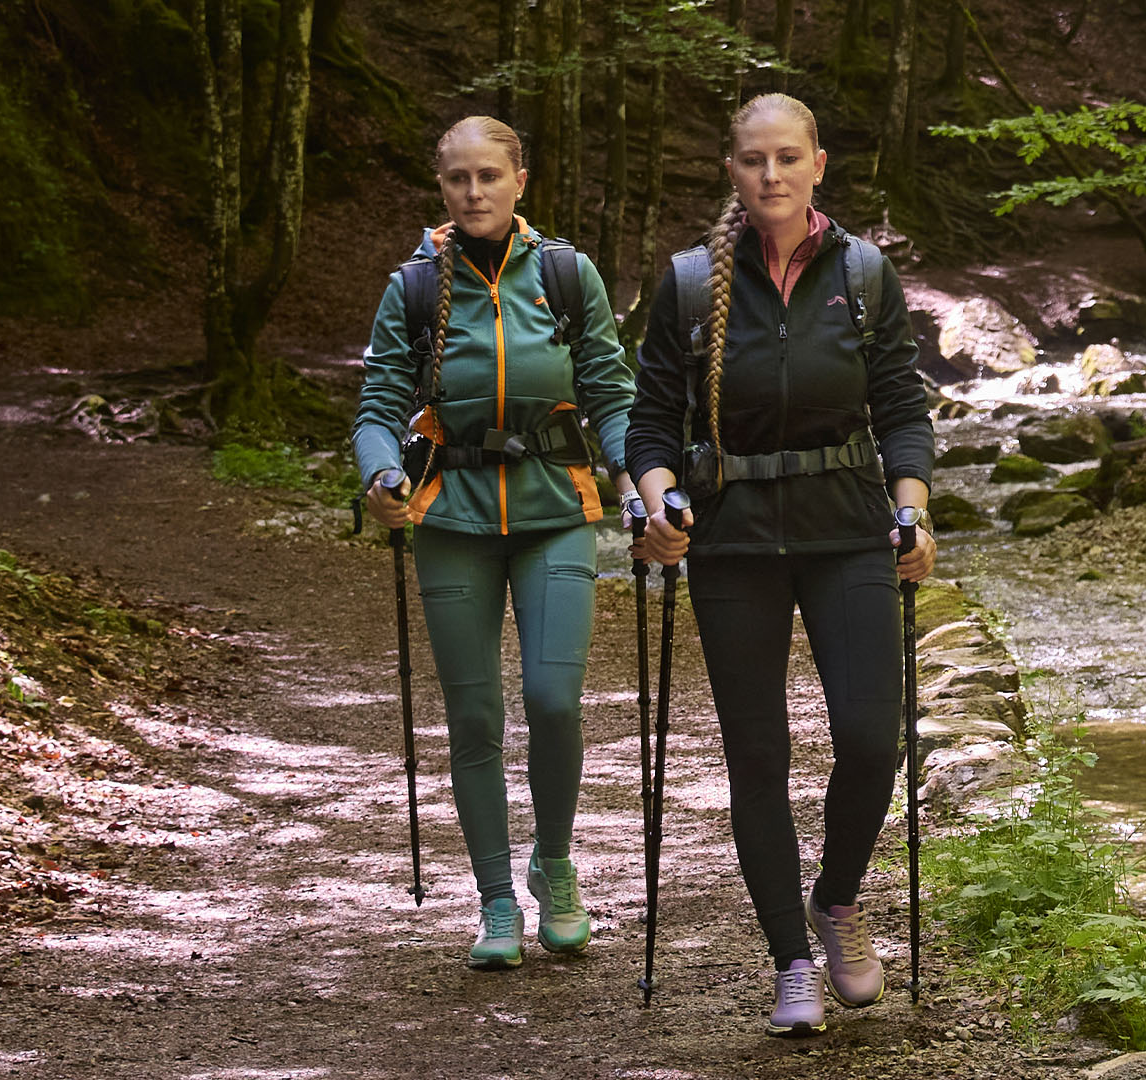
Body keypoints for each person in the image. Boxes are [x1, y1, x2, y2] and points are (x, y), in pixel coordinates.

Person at [625, 92, 936, 1036]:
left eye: (788, 158)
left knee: (872, 741)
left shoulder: (865, 274)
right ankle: (792, 962)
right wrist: (658, 502)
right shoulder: (690, 286)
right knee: (757, 757)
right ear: (732, 170)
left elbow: (901, 410)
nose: (771, 174)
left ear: (817, 166)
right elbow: (650, 424)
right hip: (733, 544)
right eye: (754, 159)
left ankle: (836, 899)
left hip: (848, 531)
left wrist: (913, 512)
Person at [356, 115, 637, 971]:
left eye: (488, 176)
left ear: (520, 181)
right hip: (451, 519)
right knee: (474, 717)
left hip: (556, 510)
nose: (473, 192)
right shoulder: (413, 287)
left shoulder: (565, 275)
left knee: (553, 701)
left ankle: (554, 865)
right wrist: (380, 476)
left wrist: (638, 481)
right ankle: (494, 902)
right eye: (457, 178)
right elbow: (378, 407)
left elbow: (611, 393)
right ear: (441, 186)